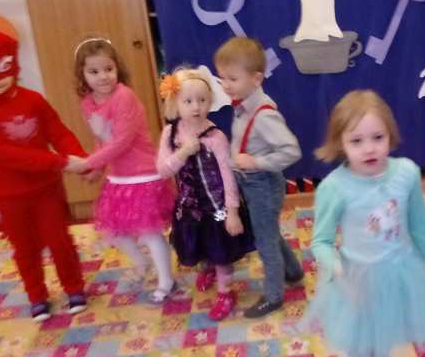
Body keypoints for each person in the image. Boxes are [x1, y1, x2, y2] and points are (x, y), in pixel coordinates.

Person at [309, 90, 425, 357]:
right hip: (356, 283)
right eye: (356, 141)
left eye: (377, 137)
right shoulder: (334, 187)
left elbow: (419, 227)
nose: (369, 148)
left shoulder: (407, 173)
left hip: (398, 277)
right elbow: (321, 241)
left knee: (381, 350)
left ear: (390, 135)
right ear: (340, 143)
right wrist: (337, 269)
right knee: (357, 356)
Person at [0, 24, 88, 321]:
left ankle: (73, 287)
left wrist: (81, 159)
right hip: (7, 194)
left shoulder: (33, 100)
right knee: (25, 248)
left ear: (14, 63)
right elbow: (1, 153)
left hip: (46, 189)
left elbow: (58, 132)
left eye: (3, 66)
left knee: (59, 240)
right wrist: (60, 162)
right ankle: (37, 295)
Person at [72, 37, 175, 304]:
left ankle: (166, 280)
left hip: (143, 174)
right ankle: (142, 264)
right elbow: (102, 140)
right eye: (94, 71)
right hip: (118, 177)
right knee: (114, 231)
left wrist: (88, 163)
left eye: (108, 69)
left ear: (117, 68)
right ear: (82, 75)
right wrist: (97, 166)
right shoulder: (88, 103)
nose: (103, 76)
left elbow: (121, 142)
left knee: (149, 232)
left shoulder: (123, 96)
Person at [214, 36, 304, 318]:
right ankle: (293, 271)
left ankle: (274, 296)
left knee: (265, 241)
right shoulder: (243, 103)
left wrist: (257, 162)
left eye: (232, 78)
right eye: (222, 78)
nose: (225, 85)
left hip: (262, 184)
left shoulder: (263, 115)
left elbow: (291, 150)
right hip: (251, 183)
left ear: (256, 78)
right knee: (269, 232)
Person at [156, 66, 253, 320]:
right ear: (175, 103)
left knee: (222, 252)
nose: (196, 107)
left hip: (217, 208)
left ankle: (225, 292)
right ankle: (208, 265)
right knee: (198, 244)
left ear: (210, 102)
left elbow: (228, 177)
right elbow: (163, 170)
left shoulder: (215, 136)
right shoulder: (170, 134)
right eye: (188, 101)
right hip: (189, 209)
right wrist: (182, 152)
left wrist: (233, 212)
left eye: (202, 100)